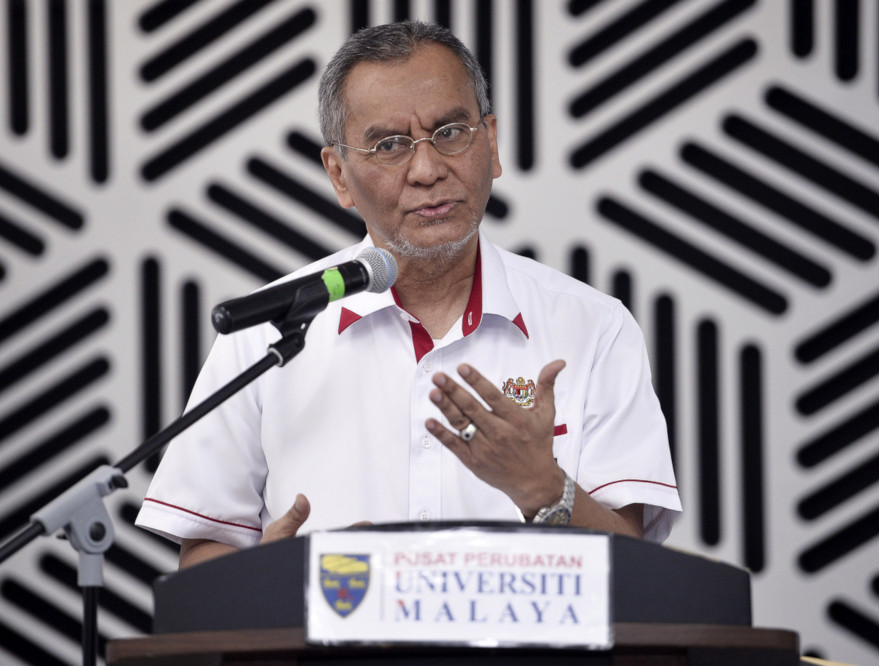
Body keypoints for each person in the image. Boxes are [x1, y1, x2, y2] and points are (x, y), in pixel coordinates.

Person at [136, 20, 681, 569]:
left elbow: (634, 571)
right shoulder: (267, 333)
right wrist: (263, 582)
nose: (427, 170)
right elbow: (202, 553)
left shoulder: (594, 326)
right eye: (388, 145)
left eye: (449, 132)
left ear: (490, 143)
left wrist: (544, 488)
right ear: (340, 176)